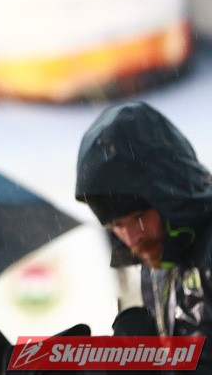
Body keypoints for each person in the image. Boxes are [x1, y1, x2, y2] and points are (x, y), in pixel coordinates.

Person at [75, 101, 212, 371]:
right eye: (116, 225)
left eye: (138, 218)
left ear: (171, 198)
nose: (131, 238)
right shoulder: (160, 260)